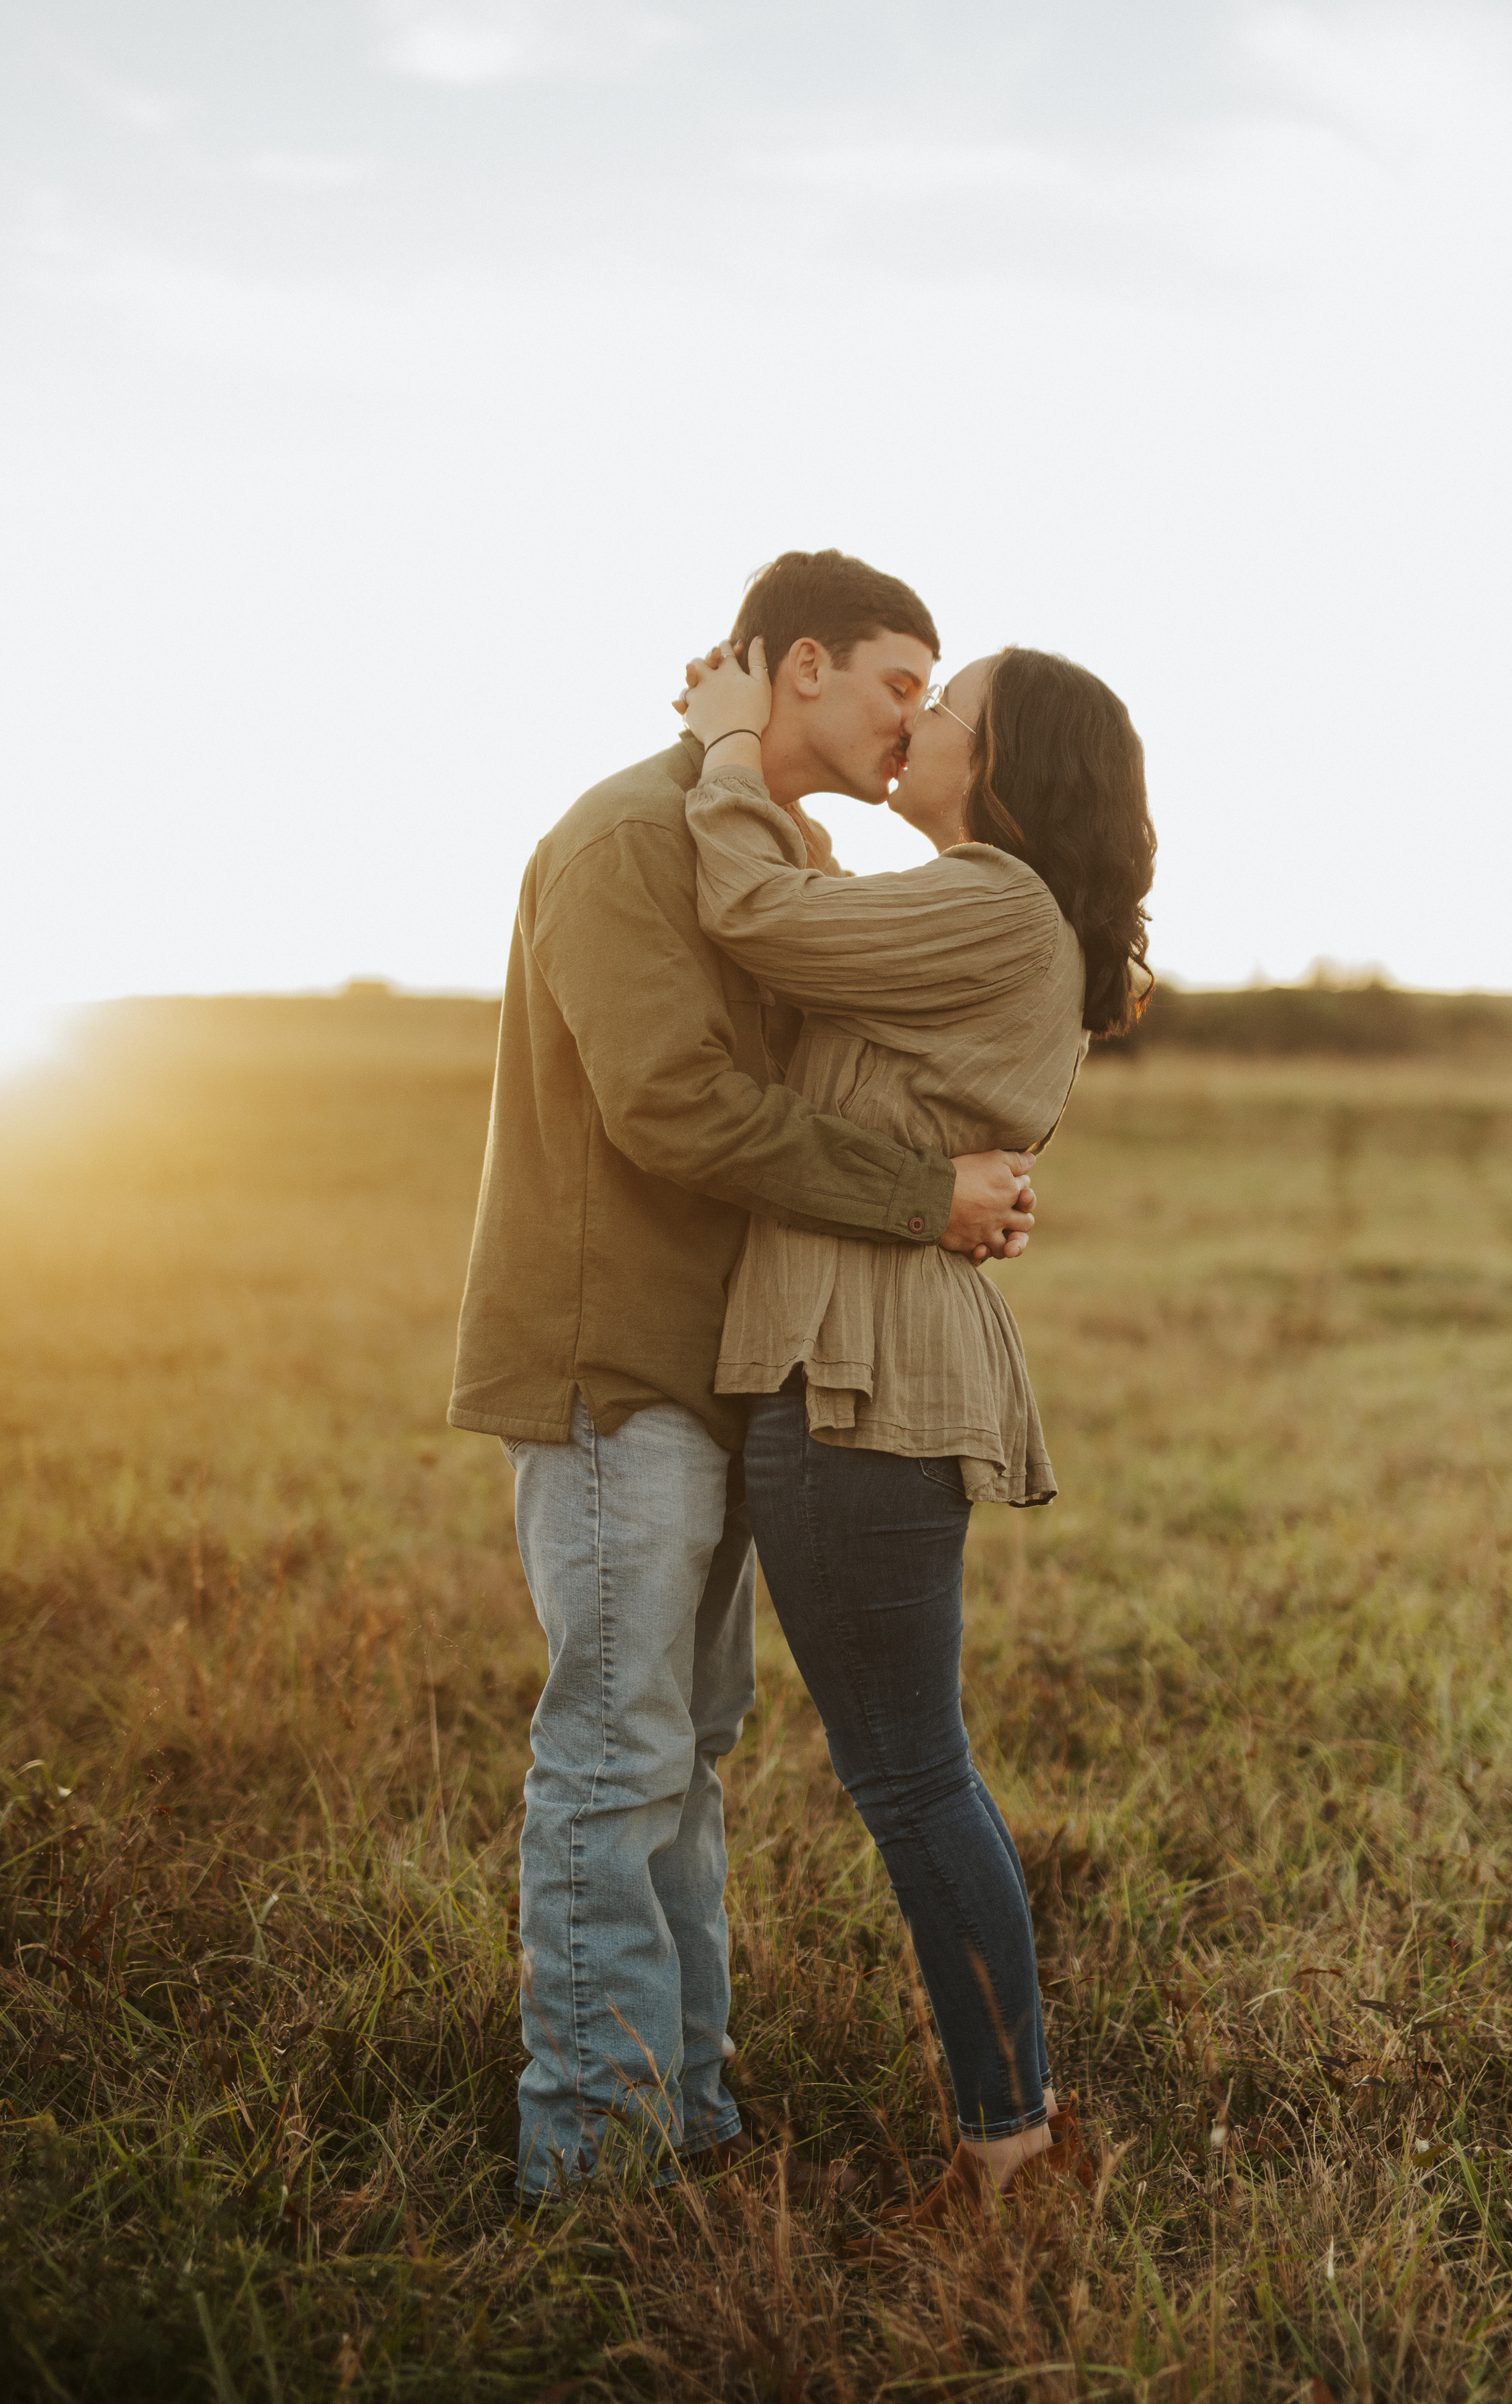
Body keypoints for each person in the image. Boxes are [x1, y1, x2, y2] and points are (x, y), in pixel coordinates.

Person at [447, 550, 1042, 2202]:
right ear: (795, 669)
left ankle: (684, 2117)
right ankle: (594, 2158)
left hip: (720, 1370)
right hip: (615, 1360)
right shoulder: (634, 837)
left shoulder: (776, 848)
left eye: (931, 699)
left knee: (685, 1748)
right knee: (620, 1754)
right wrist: (924, 1196)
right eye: (896, 687)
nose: (911, 724)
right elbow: (678, 1107)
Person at [677, 631, 1155, 2230]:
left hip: (861, 1375)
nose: (913, 723)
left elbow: (755, 918)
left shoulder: (992, 900)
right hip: (861, 1359)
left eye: (944, 711)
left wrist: (733, 742)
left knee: (909, 1777)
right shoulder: (973, 910)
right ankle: (1014, 2135)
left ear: (1008, 768)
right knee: (915, 1770)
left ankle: (1013, 2155)